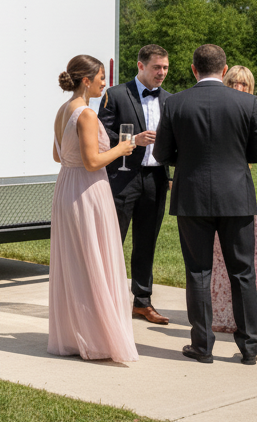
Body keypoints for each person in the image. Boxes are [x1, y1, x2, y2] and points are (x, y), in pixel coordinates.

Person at [153, 44, 257, 365]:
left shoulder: (176, 102)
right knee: (242, 273)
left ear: (194, 69)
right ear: (224, 69)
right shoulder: (246, 102)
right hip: (236, 197)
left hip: (191, 196)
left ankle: (202, 346)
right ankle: (249, 348)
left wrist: (188, 161)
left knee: (198, 272)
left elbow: (162, 154)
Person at [47, 54, 139, 363]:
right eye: (101, 77)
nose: (105, 83)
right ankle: (98, 337)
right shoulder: (85, 114)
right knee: (93, 259)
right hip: (87, 190)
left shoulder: (62, 110)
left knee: (76, 261)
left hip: (66, 187)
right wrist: (121, 148)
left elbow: (58, 157)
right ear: (86, 80)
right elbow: (92, 162)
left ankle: (76, 334)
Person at [97, 44, 172, 325]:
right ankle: (106, 301)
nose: (162, 73)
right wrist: (132, 141)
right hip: (122, 178)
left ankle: (142, 301)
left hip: (155, 179)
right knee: (114, 240)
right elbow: (103, 133)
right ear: (141, 66)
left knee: (146, 242)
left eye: (165, 67)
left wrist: (171, 175)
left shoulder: (170, 99)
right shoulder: (116, 95)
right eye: (157, 67)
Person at [212, 66, 257, 333]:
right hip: (217, 190)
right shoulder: (217, 108)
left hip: (239, 190)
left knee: (245, 259)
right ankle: (220, 313)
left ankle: (249, 317)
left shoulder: (249, 110)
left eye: (245, 84)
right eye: (234, 82)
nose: (239, 88)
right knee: (217, 258)